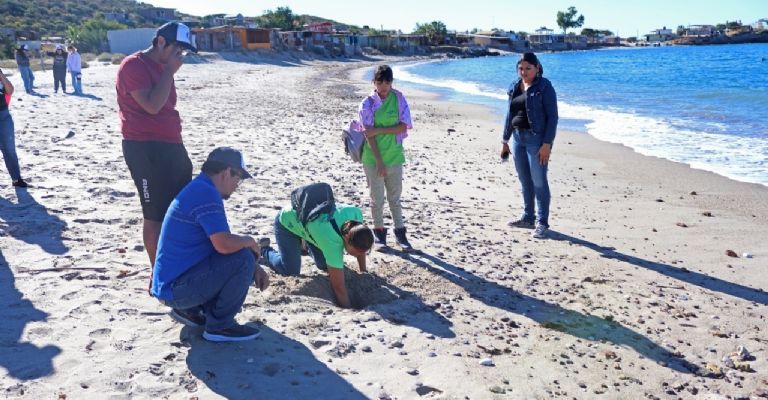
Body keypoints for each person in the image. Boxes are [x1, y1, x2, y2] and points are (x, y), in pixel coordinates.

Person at [152, 147, 269, 342]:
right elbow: (224, 245)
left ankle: (191, 310)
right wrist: (250, 242)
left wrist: (254, 265)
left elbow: (219, 244)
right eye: (238, 178)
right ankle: (220, 327)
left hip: (169, 285)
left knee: (242, 255)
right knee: (243, 258)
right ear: (225, 173)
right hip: (176, 289)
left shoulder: (200, 187)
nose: (237, 185)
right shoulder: (206, 193)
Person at [116, 22, 197, 278]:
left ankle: (178, 264)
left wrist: (167, 70)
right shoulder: (133, 65)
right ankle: (159, 274)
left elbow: (165, 107)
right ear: (161, 41)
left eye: (184, 51)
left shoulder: (163, 67)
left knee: (180, 209)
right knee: (155, 214)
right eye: (177, 49)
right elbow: (152, 106)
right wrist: (169, 72)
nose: (180, 56)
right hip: (144, 148)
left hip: (172, 145)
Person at [260, 187, 374, 309]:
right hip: (288, 222)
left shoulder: (356, 216)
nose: (358, 255)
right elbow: (339, 287)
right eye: (356, 252)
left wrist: (363, 271)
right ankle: (264, 249)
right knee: (290, 270)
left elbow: (361, 242)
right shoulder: (331, 242)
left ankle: (305, 243)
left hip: (313, 225)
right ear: (346, 238)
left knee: (324, 264)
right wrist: (349, 309)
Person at [501, 52, 558, 238]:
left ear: (537, 68)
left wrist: (547, 144)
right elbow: (510, 115)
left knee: (539, 181)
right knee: (525, 180)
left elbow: (553, 117)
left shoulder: (544, 86)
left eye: (528, 68)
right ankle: (528, 217)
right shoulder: (514, 86)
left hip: (537, 141)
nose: (524, 72)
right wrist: (505, 141)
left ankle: (542, 222)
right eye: (521, 68)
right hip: (518, 139)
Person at [359, 65, 415, 251]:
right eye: (380, 82)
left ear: (392, 82)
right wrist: (380, 162)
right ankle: (380, 236)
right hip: (373, 158)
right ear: (374, 82)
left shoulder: (398, 98)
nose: (384, 86)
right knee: (377, 199)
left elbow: (403, 126)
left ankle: (401, 235)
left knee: (395, 198)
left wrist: (380, 130)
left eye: (387, 82)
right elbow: (368, 134)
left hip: (395, 156)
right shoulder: (367, 104)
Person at [0, 68, 27, 188]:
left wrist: (1, 76)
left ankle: (16, 179)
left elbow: (10, 91)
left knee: (9, 149)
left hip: (4, 116)